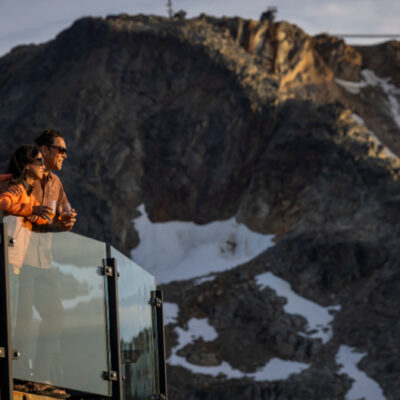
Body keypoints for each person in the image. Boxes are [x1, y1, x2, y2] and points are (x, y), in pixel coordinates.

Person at [13, 129, 76, 392]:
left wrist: (67, 221)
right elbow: (7, 204)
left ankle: (39, 378)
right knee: (23, 319)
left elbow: (64, 216)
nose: (64, 155)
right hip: (19, 258)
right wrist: (30, 211)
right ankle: (18, 376)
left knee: (55, 316)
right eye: (60, 150)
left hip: (43, 261)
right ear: (45, 150)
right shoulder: (25, 175)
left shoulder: (56, 183)